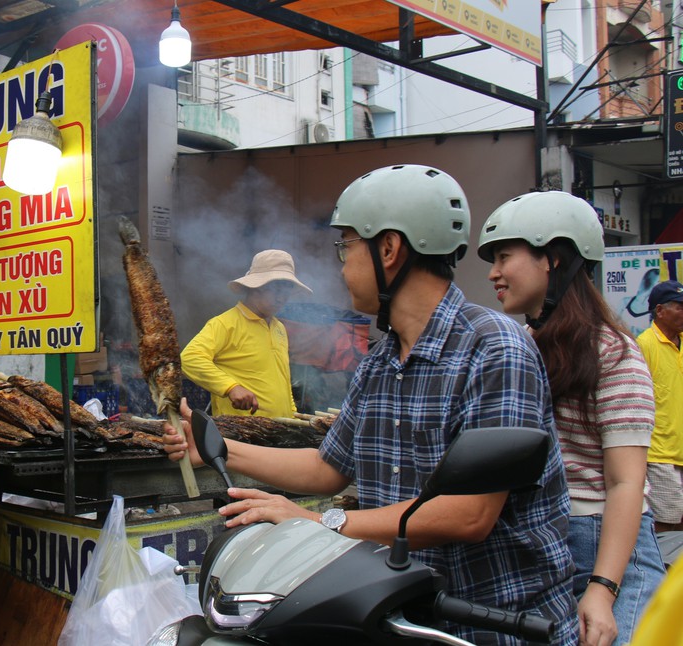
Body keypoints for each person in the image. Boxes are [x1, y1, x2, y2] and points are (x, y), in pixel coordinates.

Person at [164, 165, 577, 645]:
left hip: (492, 624)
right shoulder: (380, 362)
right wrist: (217, 449)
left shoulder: (494, 347)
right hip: (400, 619)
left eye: (346, 247)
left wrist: (320, 524)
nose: (341, 266)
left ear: (389, 248)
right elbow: (328, 467)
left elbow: (469, 513)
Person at [477, 190, 664, 646]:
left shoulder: (613, 353)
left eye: (504, 256)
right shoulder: (516, 346)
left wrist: (602, 589)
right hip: (540, 541)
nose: (493, 273)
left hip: (606, 543)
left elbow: (625, 483)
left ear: (554, 260)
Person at [181, 250, 311, 418]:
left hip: (281, 431)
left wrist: (292, 412)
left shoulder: (279, 328)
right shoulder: (225, 323)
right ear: (256, 287)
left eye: (287, 292)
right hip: (242, 434)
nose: (282, 298)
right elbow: (189, 358)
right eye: (277, 290)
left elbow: (283, 380)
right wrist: (231, 387)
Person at [636, 279, 683, 533]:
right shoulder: (644, 344)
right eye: (679, 307)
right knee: (667, 524)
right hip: (661, 453)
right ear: (660, 311)